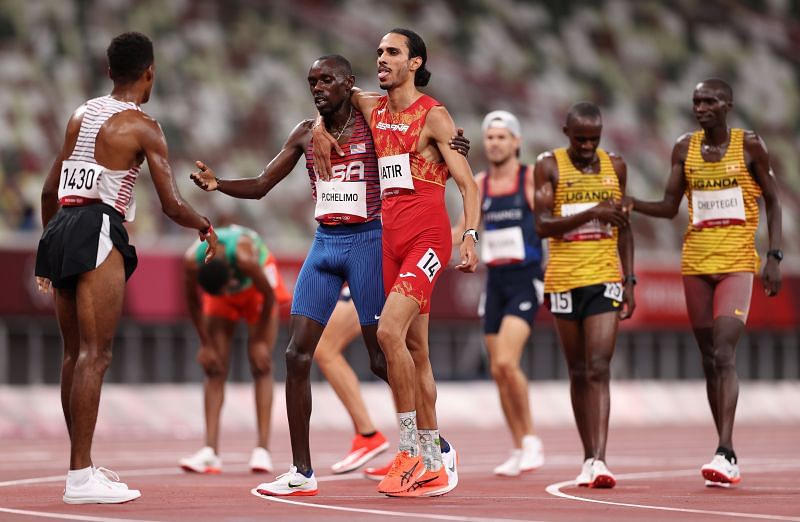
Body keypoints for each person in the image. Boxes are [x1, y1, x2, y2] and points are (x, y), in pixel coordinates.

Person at [189, 54, 469, 496]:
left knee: (382, 356)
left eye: (326, 80)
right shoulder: (305, 132)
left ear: (347, 83)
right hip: (325, 245)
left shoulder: (375, 123)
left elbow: (418, 130)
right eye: (311, 81)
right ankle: (302, 471)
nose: (317, 88)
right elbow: (263, 184)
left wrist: (455, 143)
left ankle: (435, 447)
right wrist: (218, 184)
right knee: (296, 355)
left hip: (370, 242)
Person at [34, 32, 218, 504]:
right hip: (97, 226)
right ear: (149, 72)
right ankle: (79, 477)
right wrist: (205, 225)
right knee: (97, 355)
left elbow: (48, 189)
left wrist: (47, 249)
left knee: (74, 355)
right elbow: (172, 205)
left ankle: (82, 467)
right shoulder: (144, 126)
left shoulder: (80, 114)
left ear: (109, 69)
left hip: (60, 227)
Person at [313, 28, 480, 497]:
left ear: (415, 63)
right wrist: (321, 128)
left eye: (393, 52)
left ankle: (409, 451)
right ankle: (435, 457)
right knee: (417, 353)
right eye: (379, 52)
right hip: (390, 241)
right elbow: (328, 94)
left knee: (387, 334)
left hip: (427, 240)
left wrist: (469, 235)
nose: (381, 58)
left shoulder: (436, 116)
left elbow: (468, 184)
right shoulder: (370, 106)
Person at [627, 79, 782, 487]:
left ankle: (725, 450)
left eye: (710, 100)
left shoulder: (750, 145)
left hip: (736, 263)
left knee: (725, 351)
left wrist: (774, 256)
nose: (701, 106)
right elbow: (667, 206)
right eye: (696, 101)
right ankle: (722, 446)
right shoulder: (684, 148)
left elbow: (773, 198)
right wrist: (630, 203)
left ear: (728, 104)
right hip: (695, 262)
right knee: (710, 358)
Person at [533, 101, 634, 489]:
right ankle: (587, 455)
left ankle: (601, 459)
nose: (589, 146)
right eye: (581, 139)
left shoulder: (617, 166)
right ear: (566, 134)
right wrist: (594, 211)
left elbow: (626, 227)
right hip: (562, 279)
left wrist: (631, 281)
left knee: (598, 367)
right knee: (577, 371)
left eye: (595, 139)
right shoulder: (549, 166)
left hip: (605, 275)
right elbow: (542, 225)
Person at [452, 110, 545, 477]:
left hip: (525, 280)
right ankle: (519, 444)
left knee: (507, 362)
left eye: (502, 137)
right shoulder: (481, 183)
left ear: (517, 142)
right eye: (489, 137)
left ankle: (533, 439)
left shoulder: (529, 179)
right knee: (496, 369)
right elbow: (464, 227)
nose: (494, 143)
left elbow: (550, 224)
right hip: (495, 283)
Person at [179, 223, 291, 474]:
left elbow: (270, 296)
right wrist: (205, 343)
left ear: (231, 272)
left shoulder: (245, 258)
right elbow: (192, 302)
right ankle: (210, 452)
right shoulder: (191, 262)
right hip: (219, 294)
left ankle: (262, 450)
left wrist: (261, 341)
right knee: (214, 366)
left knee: (260, 364)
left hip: (257, 291)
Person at [313, 288, 390, 474]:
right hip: (378, 274)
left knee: (325, 347)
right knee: (396, 357)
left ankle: (370, 435)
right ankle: (415, 449)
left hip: (379, 275)